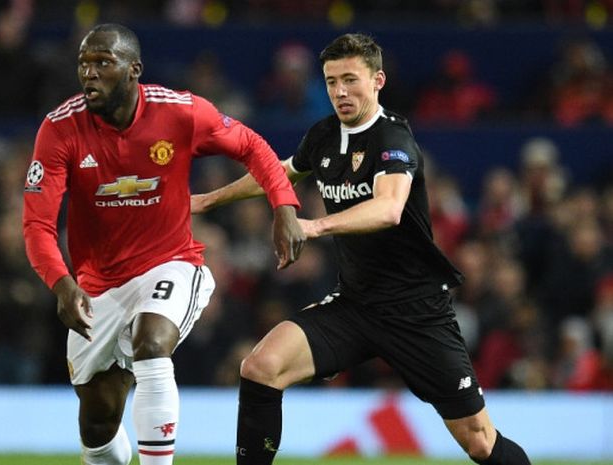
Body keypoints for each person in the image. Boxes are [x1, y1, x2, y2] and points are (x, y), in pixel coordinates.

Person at [192, 33, 531, 465]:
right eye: (331, 81)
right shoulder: (323, 135)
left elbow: (388, 208)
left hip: (416, 312)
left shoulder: (395, 139)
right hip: (356, 306)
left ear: (378, 81)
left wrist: (312, 225)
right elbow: (277, 173)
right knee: (261, 366)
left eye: (350, 80)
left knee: (480, 441)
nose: (340, 92)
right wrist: (205, 200)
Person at [22, 23, 304, 465]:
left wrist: (283, 204)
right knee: (97, 425)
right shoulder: (60, 129)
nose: (89, 74)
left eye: (103, 63)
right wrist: (61, 283)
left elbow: (251, 144)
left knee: (152, 342)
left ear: (134, 70)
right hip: (97, 283)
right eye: (84, 63)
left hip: (170, 262)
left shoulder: (180, 112)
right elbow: (37, 224)